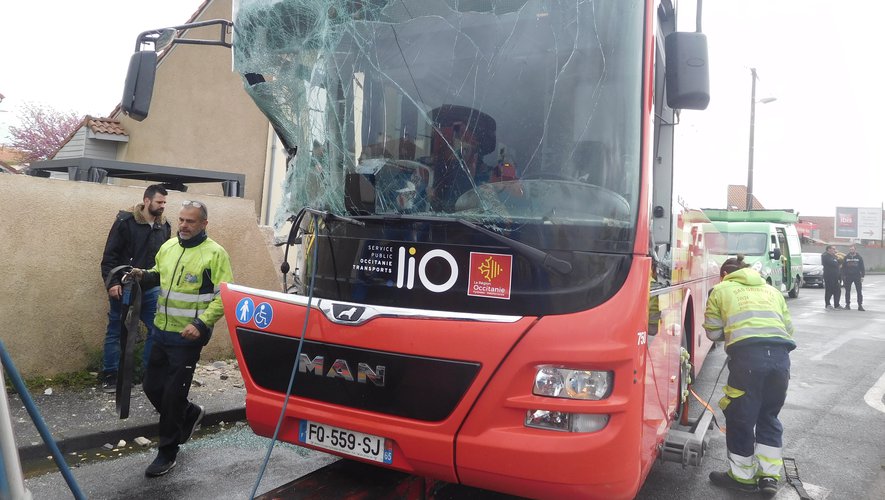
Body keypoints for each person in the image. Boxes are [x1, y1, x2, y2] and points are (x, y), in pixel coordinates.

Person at [127, 200, 233, 477]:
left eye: (191, 221)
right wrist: (142, 275)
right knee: (151, 386)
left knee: (173, 395)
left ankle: (167, 452)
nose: (184, 225)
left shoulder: (215, 254)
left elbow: (224, 296)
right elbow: (159, 276)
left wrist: (201, 323)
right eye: (182, 220)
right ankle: (190, 413)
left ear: (204, 224)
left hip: (188, 337)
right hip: (160, 331)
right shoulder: (169, 247)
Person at [703, 255, 796, 498]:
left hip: (748, 360)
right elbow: (788, 329)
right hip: (780, 359)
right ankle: (769, 477)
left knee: (740, 417)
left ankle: (742, 477)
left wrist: (734, 333)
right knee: (769, 415)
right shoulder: (772, 290)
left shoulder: (720, 290)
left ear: (724, 275)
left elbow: (713, 332)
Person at [99, 185, 171, 392]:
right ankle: (111, 375)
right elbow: (110, 256)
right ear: (147, 201)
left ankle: (148, 374)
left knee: (156, 329)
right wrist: (112, 283)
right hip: (125, 285)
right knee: (117, 329)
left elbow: (166, 260)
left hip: (151, 287)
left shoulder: (164, 226)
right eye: (159, 202)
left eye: (164, 202)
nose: (162, 206)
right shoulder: (125, 222)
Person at [842, 245, 865, 311]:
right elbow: (843, 267)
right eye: (850, 249)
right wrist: (843, 276)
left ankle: (860, 305)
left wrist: (862, 276)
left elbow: (862, 267)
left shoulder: (859, 257)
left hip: (857, 276)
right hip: (848, 276)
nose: (851, 250)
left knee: (859, 291)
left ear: (855, 250)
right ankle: (847, 305)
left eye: (852, 249)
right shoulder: (846, 257)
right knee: (847, 291)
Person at [821, 245, 842, 310]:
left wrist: (836, 258)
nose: (834, 250)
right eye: (833, 249)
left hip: (835, 277)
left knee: (838, 290)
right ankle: (828, 304)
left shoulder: (834, 256)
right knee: (829, 290)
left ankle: (837, 305)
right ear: (829, 249)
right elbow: (834, 263)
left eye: (835, 249)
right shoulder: (825, 256)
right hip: (829, 276)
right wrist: (837, 262)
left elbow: (840, 261)